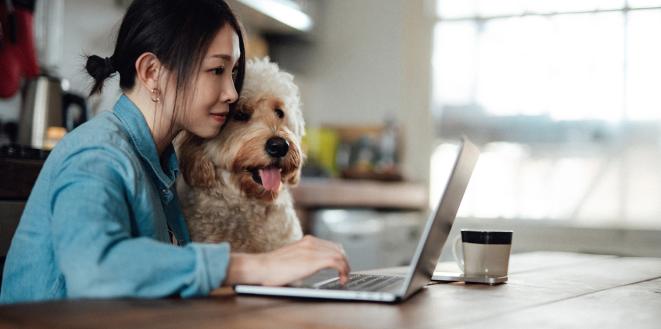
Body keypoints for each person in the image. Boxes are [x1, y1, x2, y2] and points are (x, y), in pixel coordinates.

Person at [0, 0, 349, 303]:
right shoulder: (98, 154)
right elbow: (94, 268)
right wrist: (255, 265)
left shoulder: (161, 164)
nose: (230, 92)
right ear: (152, 72)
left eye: (233, 73)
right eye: (216, 70)